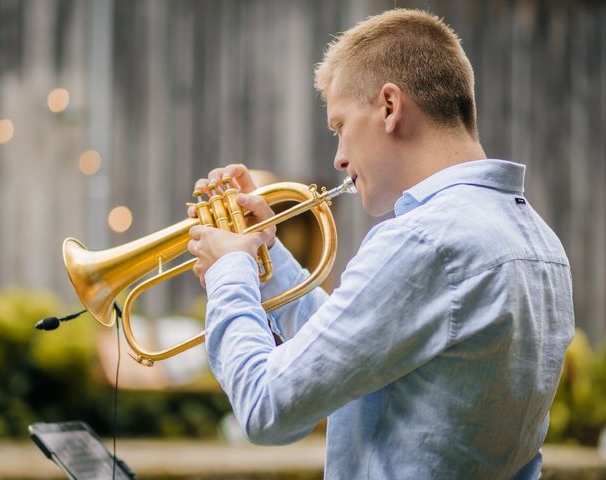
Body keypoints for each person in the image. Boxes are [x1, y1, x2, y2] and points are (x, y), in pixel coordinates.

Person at [187, 8, 574, 479]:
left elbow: (265, 408)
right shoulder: (541, 241)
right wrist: (264, 253)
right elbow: (351, 355)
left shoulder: (422, 240)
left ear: (390, 106)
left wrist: (231, 272)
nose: (339, 157)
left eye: (340, 126)